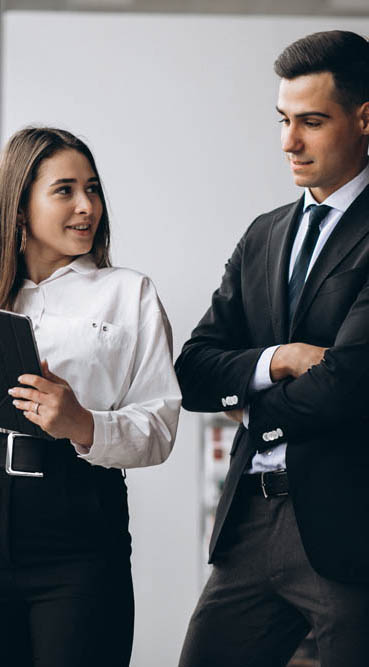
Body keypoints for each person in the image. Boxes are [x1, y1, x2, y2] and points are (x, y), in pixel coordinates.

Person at [176, 30, 369, 667]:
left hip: (348, 530)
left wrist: (252, 408)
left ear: (365, 118)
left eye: (311, 122)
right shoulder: (263, 235)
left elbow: (347, 385)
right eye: (284, 120)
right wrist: (276, 361)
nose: (289, 142)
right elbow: (194, 370)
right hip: (249, 524)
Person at [0, 126, 181, 667]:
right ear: (19, 204)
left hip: (76, 530)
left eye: (94, 189)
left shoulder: (129, 292)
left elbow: (160, 428)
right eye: (65, 190)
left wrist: (82, 423)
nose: (87, 207)